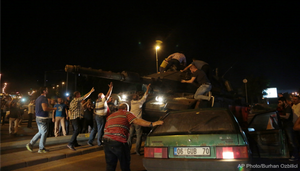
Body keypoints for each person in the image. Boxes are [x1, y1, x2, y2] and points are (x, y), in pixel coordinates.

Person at [103, 103, 163, 171]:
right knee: (125, 164)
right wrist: (152, 124)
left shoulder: (111, 116)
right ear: (126, 108)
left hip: (106, 141)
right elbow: (137, 120)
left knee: (110, 165)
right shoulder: (126, 113)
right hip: (119, 141)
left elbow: (105, 129)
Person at [26, 87, 56, 153]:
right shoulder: (43, 98)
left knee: (40, 132)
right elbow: (45, 108)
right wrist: (53, 109)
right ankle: (41, 148)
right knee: (44, 133)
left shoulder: (38, 98)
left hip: (38, 117)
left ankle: (30, 144)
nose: (48, 91)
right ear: (44, 91)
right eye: (47, 90)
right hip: (42, 118)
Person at [127, 83, 151, 155]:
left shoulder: (131, 102)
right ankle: (137, 151)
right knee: (138, 136)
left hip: (131, 121)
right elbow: (145, 96)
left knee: (130, 136)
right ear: (138, 98)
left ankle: (128, 150)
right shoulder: (140, 102)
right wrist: (148, 89)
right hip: (138, 121)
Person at [88, 82, 113, 146]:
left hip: (96, 116)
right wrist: (110, 88)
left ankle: (90, 141)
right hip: (101, 117)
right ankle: (99, 142)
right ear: (102, 96)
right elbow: (108, 95)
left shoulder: (97, 101)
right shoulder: (102, 100)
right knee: (100, 129)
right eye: (103, 95)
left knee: (94, 129)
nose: (104, 96)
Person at [278, 97, 299, 161]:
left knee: (292, 141)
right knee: (288, 141)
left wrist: (278, 116)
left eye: (280, 102)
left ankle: (296, 156)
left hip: (289, 126)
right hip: (286, 126)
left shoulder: (288, 108)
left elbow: (287, 117)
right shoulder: (284, 107)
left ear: (284, 101)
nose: (279, 103)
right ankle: (291, 154)